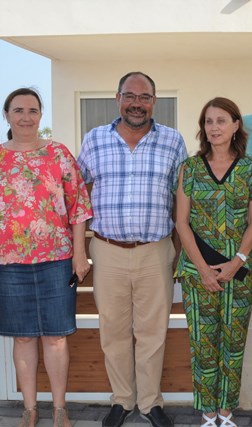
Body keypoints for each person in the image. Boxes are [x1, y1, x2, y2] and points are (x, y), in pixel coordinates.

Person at [77, 72, 187, 427]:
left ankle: (151, 403)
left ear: (154, 101)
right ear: (118, 98)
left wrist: (179, 249)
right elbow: (80, 197)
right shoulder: (94, 140)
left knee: (153, 331)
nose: (137, 103)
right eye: (130, 96)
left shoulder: (172, 141)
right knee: (114, 331)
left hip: (155, 250)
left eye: (145, 97)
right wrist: (81, 250)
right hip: (107, 250)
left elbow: (180, 201)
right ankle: (122, 400)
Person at [0, 88, 93, 427]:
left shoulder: (58, 154)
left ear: (41, 115)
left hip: (56, 260)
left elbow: (79, 206)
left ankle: (59, 409)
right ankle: (29, 410)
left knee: (55, 336)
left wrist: (79, 254)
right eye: (18, 110)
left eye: (33, 110)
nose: (26, 116)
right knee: (23, 336)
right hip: (8, 263)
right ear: (7, 115)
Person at [175, 97, 252, 427]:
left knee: (234, 343)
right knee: (203, 343)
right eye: (208, 121)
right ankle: (208, 413)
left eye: (221, 120)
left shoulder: (250, 169)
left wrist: (236, 262)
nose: (214, 127)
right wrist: (202, 268)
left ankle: (226, 412)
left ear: (236, 125)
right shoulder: (190, 168)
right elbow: (181, 222)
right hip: (198, 270)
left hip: (239, 272)